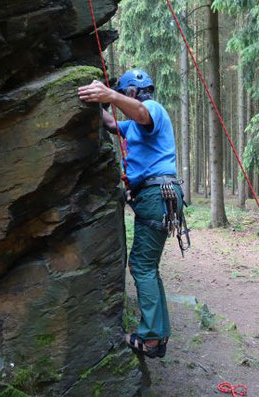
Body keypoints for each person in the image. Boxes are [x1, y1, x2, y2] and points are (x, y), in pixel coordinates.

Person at [78, 69, 183, 358]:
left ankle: (150, 338)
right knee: (148, 266)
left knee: (141, 266)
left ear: (133, 93)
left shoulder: (152, 109)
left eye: (123, 94)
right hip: (157, 195)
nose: (121, 99)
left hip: (155, 194)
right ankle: (158, 334)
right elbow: (113, 124)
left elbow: (139, 113)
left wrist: (110, 95)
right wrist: (98, 104)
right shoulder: (134, 125)